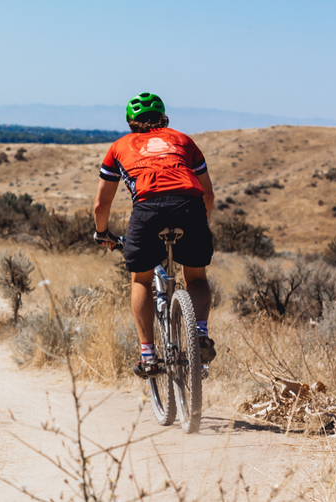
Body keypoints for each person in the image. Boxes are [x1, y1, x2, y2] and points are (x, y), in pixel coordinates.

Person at [93, 92, 216, 377]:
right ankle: (199, 333)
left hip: (148, 209)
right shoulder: (184, 141)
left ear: (130, 122)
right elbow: (208, 193)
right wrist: (201, 223)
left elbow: (102, 204)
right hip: (190, 206)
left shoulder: (119, 146)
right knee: (196, 276)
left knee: (142, 279)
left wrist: (102, 233)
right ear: (164, 118)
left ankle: (148, 354)